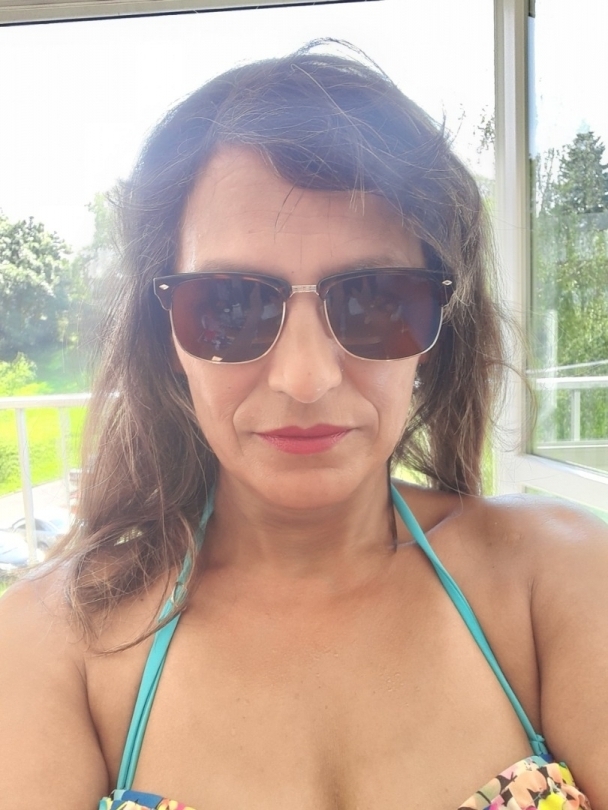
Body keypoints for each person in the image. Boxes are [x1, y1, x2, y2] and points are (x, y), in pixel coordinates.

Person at [0, 42, 607, 810]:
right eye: (229, 306)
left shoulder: (563, 579)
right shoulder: (52, 646)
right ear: (168, 336)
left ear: (436, 327)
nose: (305, 378)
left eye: (376, 299)